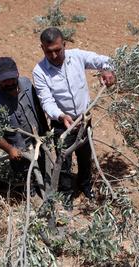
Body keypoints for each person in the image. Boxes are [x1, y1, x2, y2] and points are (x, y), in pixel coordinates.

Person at [32, 27, 116, 209]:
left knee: (85, 156)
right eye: (49, 52)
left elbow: (105, 61)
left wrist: (107, 70)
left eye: (57, 50)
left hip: (84, 119)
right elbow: (46, 101)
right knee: (64, 160)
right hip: (62, 123)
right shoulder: (39, 71)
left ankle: (85, 185)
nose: (54, 55)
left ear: (64, 44)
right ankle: (67, 193)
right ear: (42, 48)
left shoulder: (77, 56)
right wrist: (61, 116)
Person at [0, 57, 49, 190]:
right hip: (20, 152)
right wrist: (10, 149)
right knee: (28, 184)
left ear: (17, 73)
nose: (9, 83)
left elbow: (38, 108)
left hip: (41, 142)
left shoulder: (26, 83)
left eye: (11, 78)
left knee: (47, 175)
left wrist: (46, 133)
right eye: (4, 80)